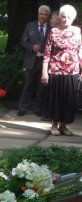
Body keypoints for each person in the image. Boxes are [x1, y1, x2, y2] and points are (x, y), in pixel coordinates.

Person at [41, 4, 82, 136]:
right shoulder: (53, 32)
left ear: (73, 18)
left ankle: (63, 126)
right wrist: (44, 73)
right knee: (56, 99)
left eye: (69, 17)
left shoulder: (77, 31)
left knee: (69, 100)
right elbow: (47, 53)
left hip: (72, 71)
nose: (66, 19)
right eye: (63, 16)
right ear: (60, 17)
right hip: (55, 71)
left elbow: (80, 51)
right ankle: (54, 125)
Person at [17, 5, 51, 117]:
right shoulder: (30, 26)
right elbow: (23, 41)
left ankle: (38, 109)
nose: (43, 16)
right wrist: (32, 47)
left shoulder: (51, 27)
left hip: (45, 61)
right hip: (32, 59)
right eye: (41, 14)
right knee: (28, 85)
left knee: (42, 87)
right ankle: (22, 108)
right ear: (38, 14)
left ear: (48, 16)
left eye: (45, 14)